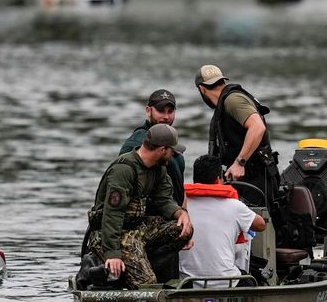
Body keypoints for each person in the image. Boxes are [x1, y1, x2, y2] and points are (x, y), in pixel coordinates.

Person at [85, 124, 193, 289]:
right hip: (110, 234)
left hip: (137, 229)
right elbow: (112, 214)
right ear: (162, 150)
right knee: (147, 285)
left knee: (183, 229)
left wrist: (181, 213)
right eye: (172, 151)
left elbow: (164, 200)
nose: (173, 155)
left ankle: (141, 263)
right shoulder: (124, 170)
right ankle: (110, 273)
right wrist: (112, 254)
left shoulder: (159, 169)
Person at [194, 64, 280, 207]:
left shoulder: (233, 100)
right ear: (222, 81)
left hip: (257, 178)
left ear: (201, 89)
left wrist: (239, 163)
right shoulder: (224, 104)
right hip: (246, 179)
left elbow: (258, 127)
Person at [179, 154, 266, 288]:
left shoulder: (181, 207)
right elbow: (261, 225)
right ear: (218, 179)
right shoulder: (234, 206)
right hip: (227, 282)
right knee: (253, 279)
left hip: (188, 283)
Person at [120, 89, 186, 208]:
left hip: (175, 213)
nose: (166, 117)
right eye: (161, 111)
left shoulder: (172, 142)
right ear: (148, 110)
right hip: (150, 217)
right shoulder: (136, 143)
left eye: (170, 111)